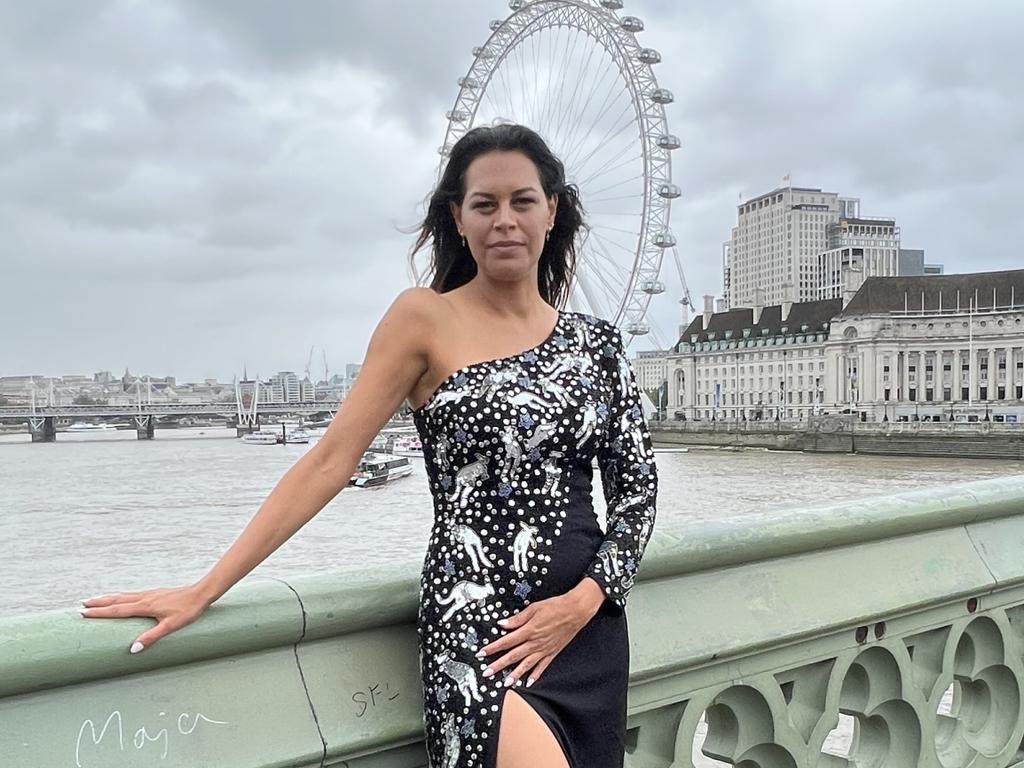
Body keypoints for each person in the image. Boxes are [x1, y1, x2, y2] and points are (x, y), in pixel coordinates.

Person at [81, 123, 658, 768]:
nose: (504, 221)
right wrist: (204, 588)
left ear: (552, 210)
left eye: (522, 201)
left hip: (585, 629)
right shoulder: (423, 319)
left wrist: (584, 603)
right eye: (484, 204)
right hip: (481, 625)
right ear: (457, 218)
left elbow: (638, 495)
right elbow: (331, 462)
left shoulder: (599, 344)